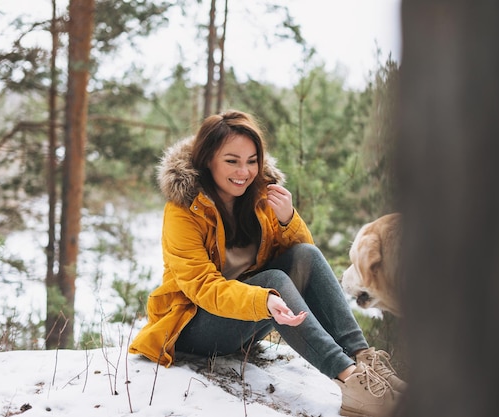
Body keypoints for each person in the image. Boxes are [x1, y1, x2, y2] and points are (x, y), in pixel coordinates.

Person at [129, 110, 406, 417]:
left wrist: (288, 219)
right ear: (208, 160)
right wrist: (264, 300)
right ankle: (352, 382)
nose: (244, 171)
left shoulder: (260, 196)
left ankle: (366, 361)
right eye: (231, 161)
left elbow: (306, 267)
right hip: (192, 327)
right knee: (272, 281)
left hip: (245, 318)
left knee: (307, 256)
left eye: (252, 160)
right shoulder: (183, 210)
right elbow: (202, 287)